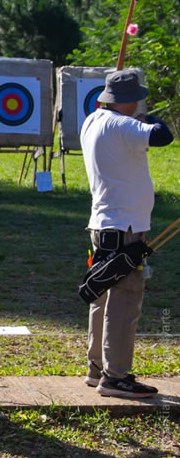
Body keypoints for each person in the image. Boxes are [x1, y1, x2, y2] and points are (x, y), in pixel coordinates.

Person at [80, 70, 173, 398]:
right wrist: (149, 116)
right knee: (125, 300)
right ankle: (115, 376)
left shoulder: (92, 121)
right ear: (129, 101)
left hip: (105, 225)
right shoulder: (123, 124)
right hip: (124, 229)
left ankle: (97, 368)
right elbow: (163, 135)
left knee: (103, 294)